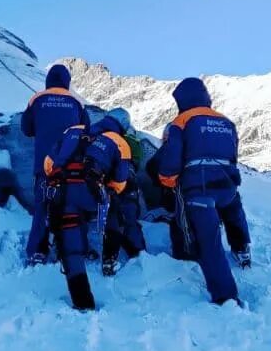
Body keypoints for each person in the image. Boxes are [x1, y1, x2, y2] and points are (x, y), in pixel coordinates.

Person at [156, 78, 251, 305]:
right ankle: (242, 249)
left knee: (210, 242)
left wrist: (167, 181)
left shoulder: (181, 122)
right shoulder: (227, 122)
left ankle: (226, 296)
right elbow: (233, 155)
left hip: (199, 190)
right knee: (234, 211)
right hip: (227, 186)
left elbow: (172, 159)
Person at [44, 115, 130, 310]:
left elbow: (49, 164)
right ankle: (109, 257)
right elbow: (119, 182)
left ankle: (82, 301)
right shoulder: (119, 142)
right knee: (112, 212)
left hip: (63, 192)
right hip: (91, 194)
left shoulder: (73, 131)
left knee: (71, 247)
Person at [21, 64, 89, 264]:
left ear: (48, 79)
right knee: (71, 207)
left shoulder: (37, 99)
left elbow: (26, 128)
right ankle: (69, 250)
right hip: (71, 167)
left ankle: (37, 251)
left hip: (44, 166)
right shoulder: (77, 103)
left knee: (42, 209)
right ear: (67, 81)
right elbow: (86, 131)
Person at [101, 108, 146, 276]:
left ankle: (109, 258)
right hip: (128, 180)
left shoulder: (102, 137)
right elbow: (138, 161)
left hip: (107, 181)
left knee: (111, 217)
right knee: (130, 217)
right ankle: (139, 254)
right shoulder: (132, 138)